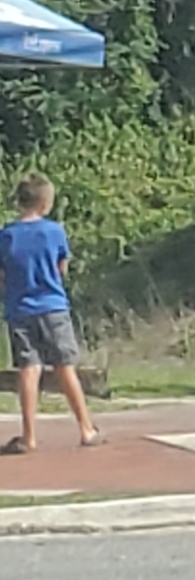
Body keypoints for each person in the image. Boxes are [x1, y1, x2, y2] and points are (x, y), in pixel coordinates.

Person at [2, 175, 98, 453]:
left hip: (19, 309)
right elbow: (61, 267)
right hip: (52, 306)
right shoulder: (55, 232)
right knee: (64, 366)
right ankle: (85, 428)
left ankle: (29, 435)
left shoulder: (6, 235)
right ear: (45, 203)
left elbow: (3, 274)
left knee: (28, 369)